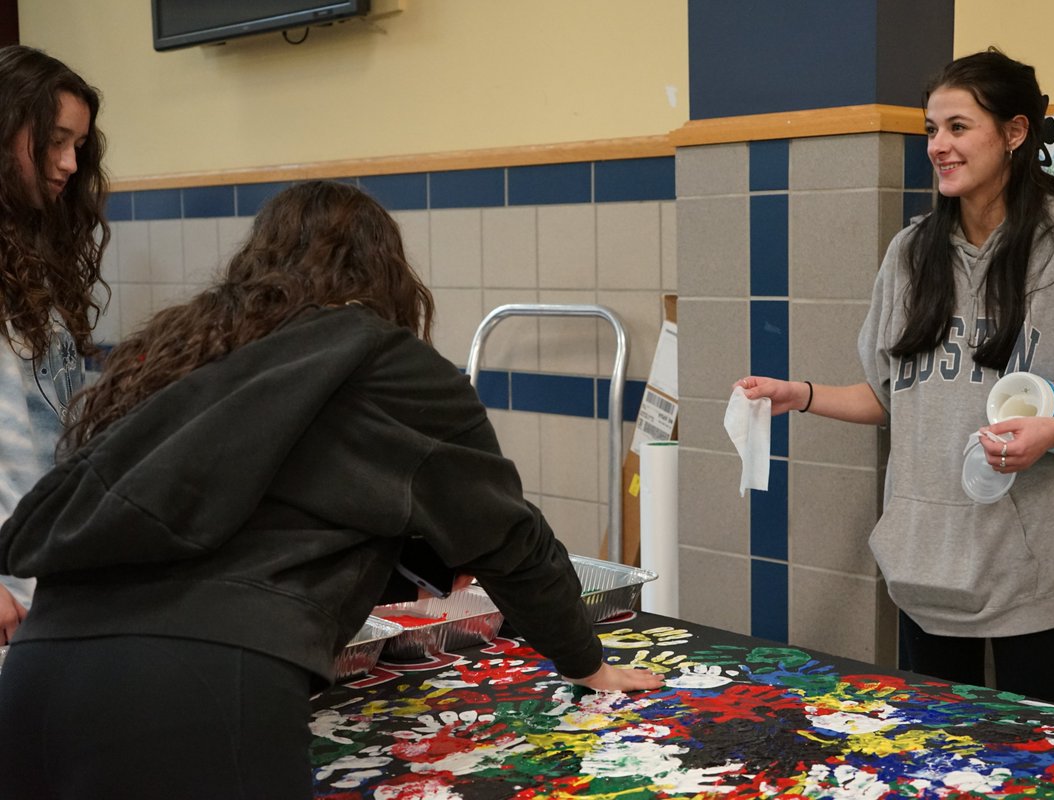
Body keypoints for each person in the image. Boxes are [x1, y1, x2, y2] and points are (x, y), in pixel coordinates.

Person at [0, 180, 663, 799]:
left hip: (39, 673)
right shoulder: (383, 359)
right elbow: (508, 536)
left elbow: (248, 508)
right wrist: (587, 663)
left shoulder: (191, 346)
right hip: (200, 683)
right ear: (386, 273)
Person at [738, 48, 1054, 705]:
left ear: (1015, 133)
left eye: (958, 128)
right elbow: (894, 399)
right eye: (931, 131)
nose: (938, 146)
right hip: (923, 572)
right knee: (939, 757)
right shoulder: (910, 255)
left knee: (1028, 761)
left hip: (1031, 579)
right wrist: (798, 396)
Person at [0, 45, 109, 645]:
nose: (70, 164)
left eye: (79, 146)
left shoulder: (32, 263)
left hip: (39, 577)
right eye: (55, 140)